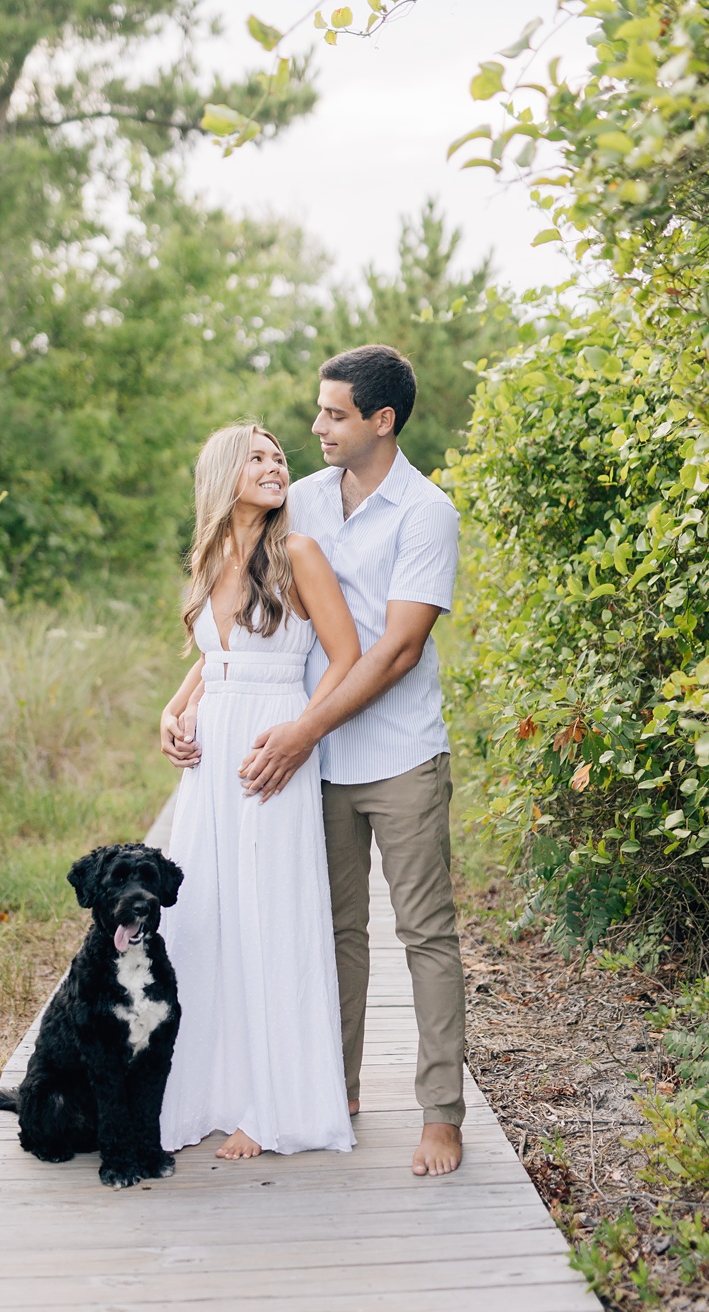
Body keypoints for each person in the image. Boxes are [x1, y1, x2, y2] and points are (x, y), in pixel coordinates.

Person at [235, 345, 467, 1179]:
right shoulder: (295, 503)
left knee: (425, 935)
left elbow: (397, 649)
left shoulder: (425, 513)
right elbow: (239, 597)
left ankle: (441, 1114)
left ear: (382, 421)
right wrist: (188, 695)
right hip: (315, 762)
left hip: (400, 753)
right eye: (318, 411)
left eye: (333, 414)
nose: (316, 427)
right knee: (330, 933)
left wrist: (301, 728)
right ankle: (334, 1087)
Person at [158, 422, 360, 1161]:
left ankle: (268, 1105)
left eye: (280, 458)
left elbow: (346, 657)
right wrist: (172, 711)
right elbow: (215, 658)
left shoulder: (297, 554)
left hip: (272, 744)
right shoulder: (212, 558)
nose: (277, 466)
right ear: (223, 474)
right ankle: (209, 1090)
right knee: (208, 916)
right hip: (210, 760)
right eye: (259, 457)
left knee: (266, 914)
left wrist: (299, 733)